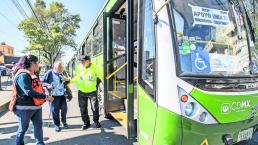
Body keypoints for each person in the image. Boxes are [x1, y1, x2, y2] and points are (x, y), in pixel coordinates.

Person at [12, 55, 54, 145]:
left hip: (36, 107)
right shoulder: (23, 75)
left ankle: (40, 143)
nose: (38, 65)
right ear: (32, 63)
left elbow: (37, 86)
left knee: (38, 126)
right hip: (24, 108)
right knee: (23, 128)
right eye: (37, 63)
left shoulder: (32, 74)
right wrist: (46, 97)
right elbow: (29, 92)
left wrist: (46, 86)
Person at [71, 55, 103, 130]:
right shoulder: (80, 67)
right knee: (83, 108)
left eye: (83, 61)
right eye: (81, 61)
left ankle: (96, 121)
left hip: (92, 91)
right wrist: (69, 81)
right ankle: (86, 123)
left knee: (95, 107)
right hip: (81, 91)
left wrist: (98, 82)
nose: (82, 63)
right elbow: (77, 77)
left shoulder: (95, 67)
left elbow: (101, 75)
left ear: (88, 61)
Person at [42, 62, 69, 132]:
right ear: (55, 67)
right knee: (55, 111)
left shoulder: (62, 73)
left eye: (61, 68)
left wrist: (67, 80)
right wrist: (48, 85)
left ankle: (64, 121)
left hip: (62, 94)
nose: (61, 70)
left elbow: (67, 81)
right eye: (59, 68)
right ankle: (57, 124)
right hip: (53, 95)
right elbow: (42, 82)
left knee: (64, 109)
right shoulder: (49, 73)